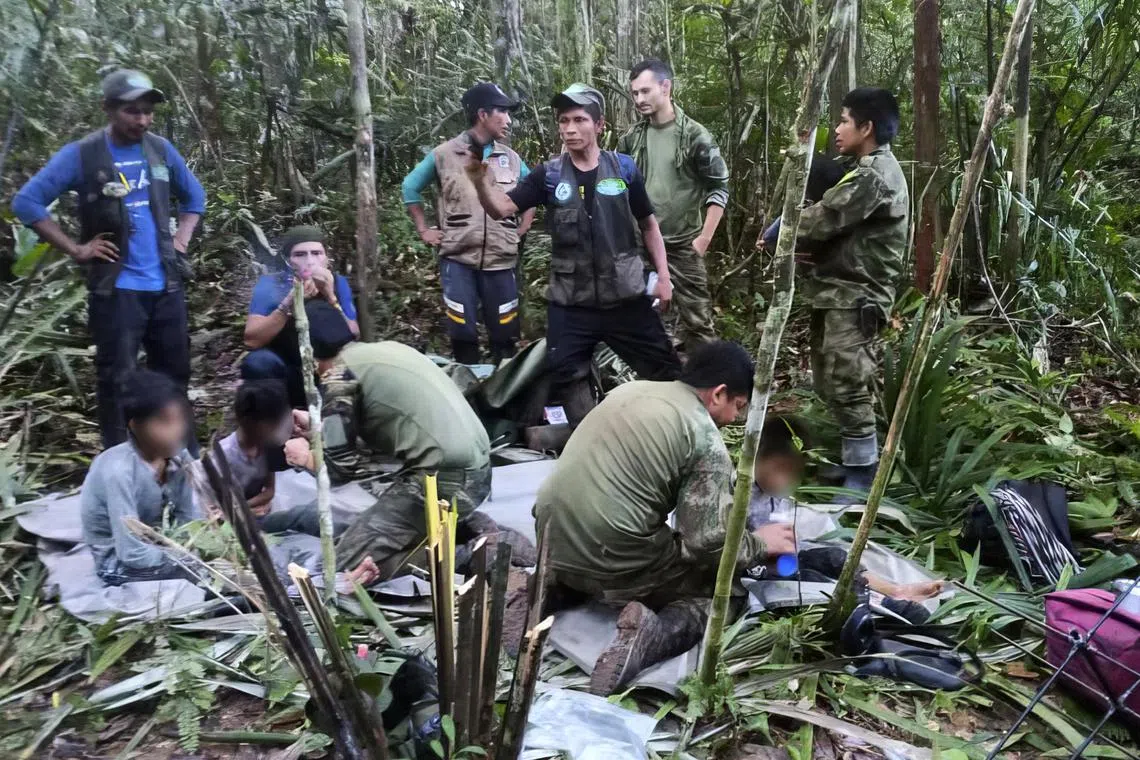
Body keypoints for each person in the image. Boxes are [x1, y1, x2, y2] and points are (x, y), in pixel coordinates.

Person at [533, 341, 797, 694]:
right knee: (724, 595)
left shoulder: (629, 390)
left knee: (609, 545)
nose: (734, 419)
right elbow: (705, 543)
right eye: (738, 407)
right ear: (718, 393)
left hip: (549, 537)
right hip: (613, 555)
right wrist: (759, 543)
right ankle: (652, 635)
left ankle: (548, 589)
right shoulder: (703, 436)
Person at [465, 83, 681, 424]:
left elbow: (649, 225)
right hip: (571, 301)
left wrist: (664, 277)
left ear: (599, 125)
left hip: (625, 296)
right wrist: (478, 178)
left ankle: (668, 433)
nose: (569, 129)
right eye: (563, 120)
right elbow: (501, 208)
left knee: (665, 371)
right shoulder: (548, 175)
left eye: (579, 120)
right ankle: (593, 437)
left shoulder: (623, 169)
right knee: (567, 373)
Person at [12, 69, 206, 449]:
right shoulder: (83, 155)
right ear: (108, 109)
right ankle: (122, 461)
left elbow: (194, 198)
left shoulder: (160, 150)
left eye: (148, 112)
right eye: (132, 111)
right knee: (117, 378)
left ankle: (184, 457)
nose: (143, 120)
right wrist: (77, 249)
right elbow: (27, 202)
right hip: (117, 291)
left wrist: (180, 240)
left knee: (175, 374)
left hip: (166, 285)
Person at [763, 88, 909, 500]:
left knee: (848, 381)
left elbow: (825, 217)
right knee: (829, 381)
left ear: (867, 128)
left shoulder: (875, 175)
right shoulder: (858, 167)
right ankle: (853, 462)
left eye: (845, 120)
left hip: (858, 295)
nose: (838, 128)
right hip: (836, 291)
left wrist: (782, 227)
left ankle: (864, 476)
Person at [283, 302, 492, 582]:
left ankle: (464, 557)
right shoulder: (386, 350)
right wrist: (320, 429)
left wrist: (304, 456)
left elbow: (338, 470)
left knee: (339, 569)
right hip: (478, 469)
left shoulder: (339, 377)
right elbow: (388, 425)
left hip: (444, 481)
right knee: (365, 537)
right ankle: (454, 533)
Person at [402, 83, 536, 364]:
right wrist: (424, 229)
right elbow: (410, 187)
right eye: (502, 112)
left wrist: (523, 227)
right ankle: (467, 389)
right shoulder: (444, 154)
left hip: (501, 260)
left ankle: (504, 393)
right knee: (462, 331)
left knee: (505, 332)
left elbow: (532, 191)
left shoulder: (510, 158)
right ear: (482, 114)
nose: (508, 120)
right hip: (458, 258)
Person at [747, 417, 943, 604]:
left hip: (777, 559)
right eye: (779, 468)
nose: (785, 480)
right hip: (750, 567)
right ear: (757, 458)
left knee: (834, 558)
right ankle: (881, 604)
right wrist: (758, 543)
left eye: (792, 472)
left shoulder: (773, 495)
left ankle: (895, 591)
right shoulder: (738, 494)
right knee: (811, 578)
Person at [619, 59, 729, 354]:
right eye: (635, 94)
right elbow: (619, 188)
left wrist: (703, 239)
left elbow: (718, 187)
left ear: (665, 87)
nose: (639, 99)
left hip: (683, 245)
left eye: (645, 91)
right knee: (644, 321)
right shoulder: (631, 139)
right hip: (642, 247)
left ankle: (708, 390)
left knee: (698, 323)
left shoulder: (695, 136)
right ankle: (654, 386)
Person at [80, 370, 202, 586]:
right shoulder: (119, 471)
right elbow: (131, 553)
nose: (177, 429)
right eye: (164, 422)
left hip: (163, 543)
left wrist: (196, 546)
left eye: (180, 419)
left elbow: (190, 519)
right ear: (135, 425)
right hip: (118, 561)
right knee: (201, 578)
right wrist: (185, 559)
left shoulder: (179, 457)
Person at [242, 226, 359, 407]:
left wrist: (330, 297)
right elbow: (252, 340)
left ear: (326, 258)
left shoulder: (338, 282)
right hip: (287, 366)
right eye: (300, 254)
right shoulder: (271, 284)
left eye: (316, 253)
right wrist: (289, 302)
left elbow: (354, 334)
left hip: (329, 369)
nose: (310, 261)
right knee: (258, 363)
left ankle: (338, 410)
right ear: (288, 260)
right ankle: (276, 419)